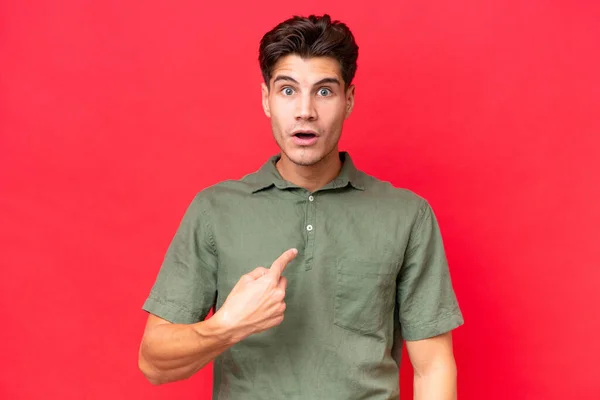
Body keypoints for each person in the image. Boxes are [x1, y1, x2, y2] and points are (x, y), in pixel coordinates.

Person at [138, 13, 464, 400]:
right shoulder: (214, 210)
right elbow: (153, 364)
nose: (305, 110)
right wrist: (227, 326)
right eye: (288, 90)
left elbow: (432, 368)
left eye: (324, 91)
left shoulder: (407, 215)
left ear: (349, 100)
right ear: (266, 100)